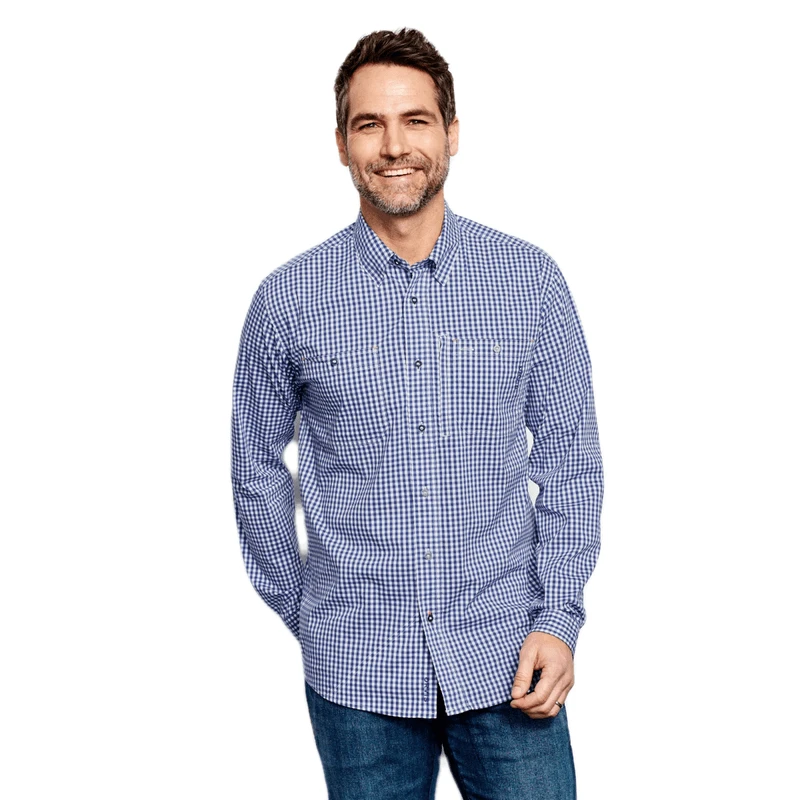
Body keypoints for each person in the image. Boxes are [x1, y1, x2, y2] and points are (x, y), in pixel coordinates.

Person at [230, 27, 603, 799]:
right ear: (341, 144)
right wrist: (308, 613)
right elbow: (255, 467)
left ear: (452, 133)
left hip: (511, 657)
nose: (395, 146)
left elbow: (571, 464)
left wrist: (558, 619)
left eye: (416, 120)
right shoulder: (286, 301)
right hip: (356, 673)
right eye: (370, 124)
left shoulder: (530, 282)